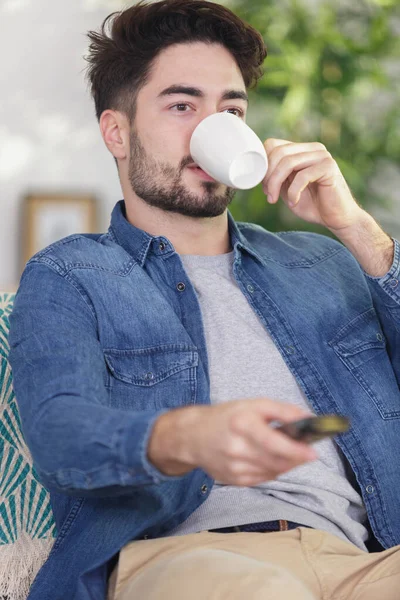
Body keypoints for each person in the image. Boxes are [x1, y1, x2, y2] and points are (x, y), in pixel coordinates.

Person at [8, 0, 400, 599]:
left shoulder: (321, 261)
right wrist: (185, 436)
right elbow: (60, 434)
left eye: (231, 109)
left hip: (362, 559)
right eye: (182, 105)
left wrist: (359, 232)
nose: (211, 129)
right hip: (192, 557)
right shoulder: (72, 273)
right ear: (117, 131)